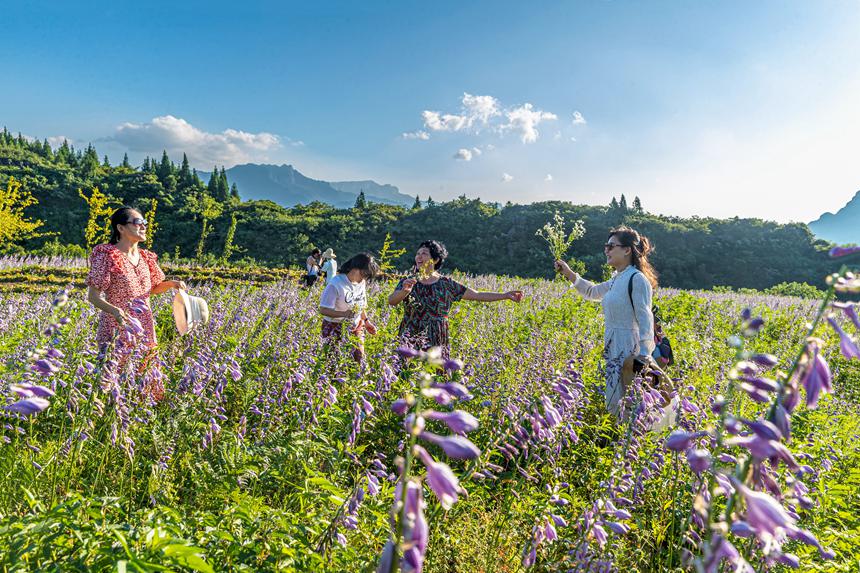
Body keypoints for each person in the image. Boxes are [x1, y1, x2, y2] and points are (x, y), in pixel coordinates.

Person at [554, 226, 659, 417]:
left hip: (630, 349)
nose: (606, 250)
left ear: (627, 250)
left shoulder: (636, 279)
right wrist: (568, 272)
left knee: (631, 405)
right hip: (613, 345)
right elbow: (592, 292)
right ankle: (619, 443)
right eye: (606, 246)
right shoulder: (616, 279)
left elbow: (645, 319)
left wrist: (643, 357)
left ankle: (628, 442)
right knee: (615, 403)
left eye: (611, 246)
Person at [86, 206, 188, 400]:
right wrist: (115, 311)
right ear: (121, 228)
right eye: (138, 222)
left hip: (146, 329)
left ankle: (141, 419)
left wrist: (171, 284)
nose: (143, 227)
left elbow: (152, 289)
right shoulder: (107, 255)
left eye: (145, 223)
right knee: (114, 382)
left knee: (145, 379)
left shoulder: (145, 258)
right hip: (117, 327)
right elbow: (93, 296)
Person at [388, 240, 523, 360]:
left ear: (435, 260)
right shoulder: (408, 281)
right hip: (411, 334)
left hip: (437, 336)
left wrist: (505, 295)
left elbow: (477, 295)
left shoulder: (447, 284)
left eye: (424, 253)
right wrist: (404, 291)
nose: (419, 256)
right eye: (418, 253)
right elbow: (392, 301)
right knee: (405, 376)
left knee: (436, 377)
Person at [318, 252, 380, 362]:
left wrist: (366, 321)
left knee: (359, 358)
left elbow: (361, 305)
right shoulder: (336, 284)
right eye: (365, 274)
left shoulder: (361, 282)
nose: (365, 278)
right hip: (334, 327)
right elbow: (323, 309)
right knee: (333, 361)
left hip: (355, 326)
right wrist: (344, 314)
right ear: (356, 268)